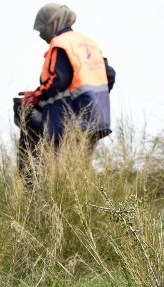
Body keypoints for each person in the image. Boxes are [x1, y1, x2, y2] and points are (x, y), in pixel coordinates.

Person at [17, 3, 116, 176]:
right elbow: (109, 75)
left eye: (42, 29)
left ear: (54, 22)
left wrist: (36, 96)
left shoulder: (61, 44)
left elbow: (58, 80)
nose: (41, 35)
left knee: (59, 174)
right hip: (97, 118)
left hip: (71, 121)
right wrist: (94, 99)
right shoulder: (87, 44)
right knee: (79, 170)